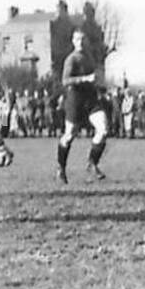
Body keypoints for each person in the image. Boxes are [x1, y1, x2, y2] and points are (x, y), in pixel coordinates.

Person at [55, 28, 110, 183]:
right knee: (69, 134)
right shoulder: (71, 59)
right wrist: (85, 79)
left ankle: (92, 163)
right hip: (75, 99)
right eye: (77, 39)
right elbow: (65, 81)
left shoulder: (89, 58)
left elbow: (94, 78)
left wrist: (99, 85)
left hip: (91, 98)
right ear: (73, 41)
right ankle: (61, 168)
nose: (80, 42)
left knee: (103, 129)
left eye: (82, 39)